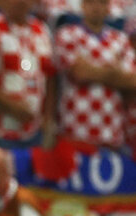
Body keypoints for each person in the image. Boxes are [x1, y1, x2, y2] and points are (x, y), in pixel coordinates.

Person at [53, 0, 136, 151]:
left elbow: (132, 81)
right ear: (83, 6)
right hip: (75, 130)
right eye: (91, 2)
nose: (96, 7)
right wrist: (115, 73)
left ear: (108, 7)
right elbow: (79, 73)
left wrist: (91, 69)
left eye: (101, 3)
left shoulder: (120, 39)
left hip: (111, 132)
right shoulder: (67, 34)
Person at [0, 0, 56, 149]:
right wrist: (11, 106)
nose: (21, 2)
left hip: (34, 132)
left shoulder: (42, 30)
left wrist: (47, 118)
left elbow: (50, 76)